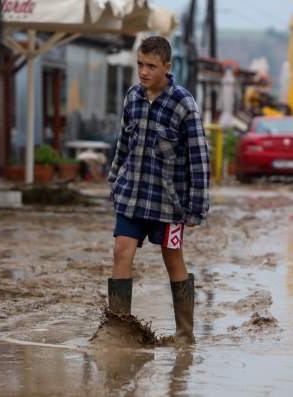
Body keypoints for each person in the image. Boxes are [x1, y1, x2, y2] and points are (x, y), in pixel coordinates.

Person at [106, 36, 210, 344]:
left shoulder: (184, 105)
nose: (143, 72)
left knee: (173, 258)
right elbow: (123, 144)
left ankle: (184, 335)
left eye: (150, 66)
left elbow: (199, 160)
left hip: (170, 206)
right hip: (132, 197)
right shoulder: (132, 97)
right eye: (139, 64)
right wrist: (114, 180)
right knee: (120, 251)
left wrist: (196, 208)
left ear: (167, 67)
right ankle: (119, 331)